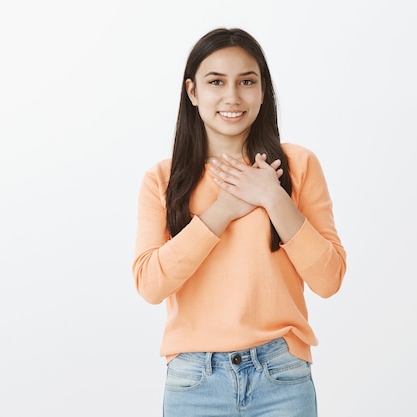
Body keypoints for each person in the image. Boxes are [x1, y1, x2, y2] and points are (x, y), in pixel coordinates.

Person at [132, 27, 346, 417]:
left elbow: (328, 280)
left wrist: (271, 196)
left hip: (281, 374)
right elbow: (150, 284)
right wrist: (222, 210)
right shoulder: (162, 180)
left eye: (247, 81)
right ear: (193, 92)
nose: (232, 97)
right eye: (216, 82)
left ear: (263, 91)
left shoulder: (298, 166)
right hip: (195, 380)